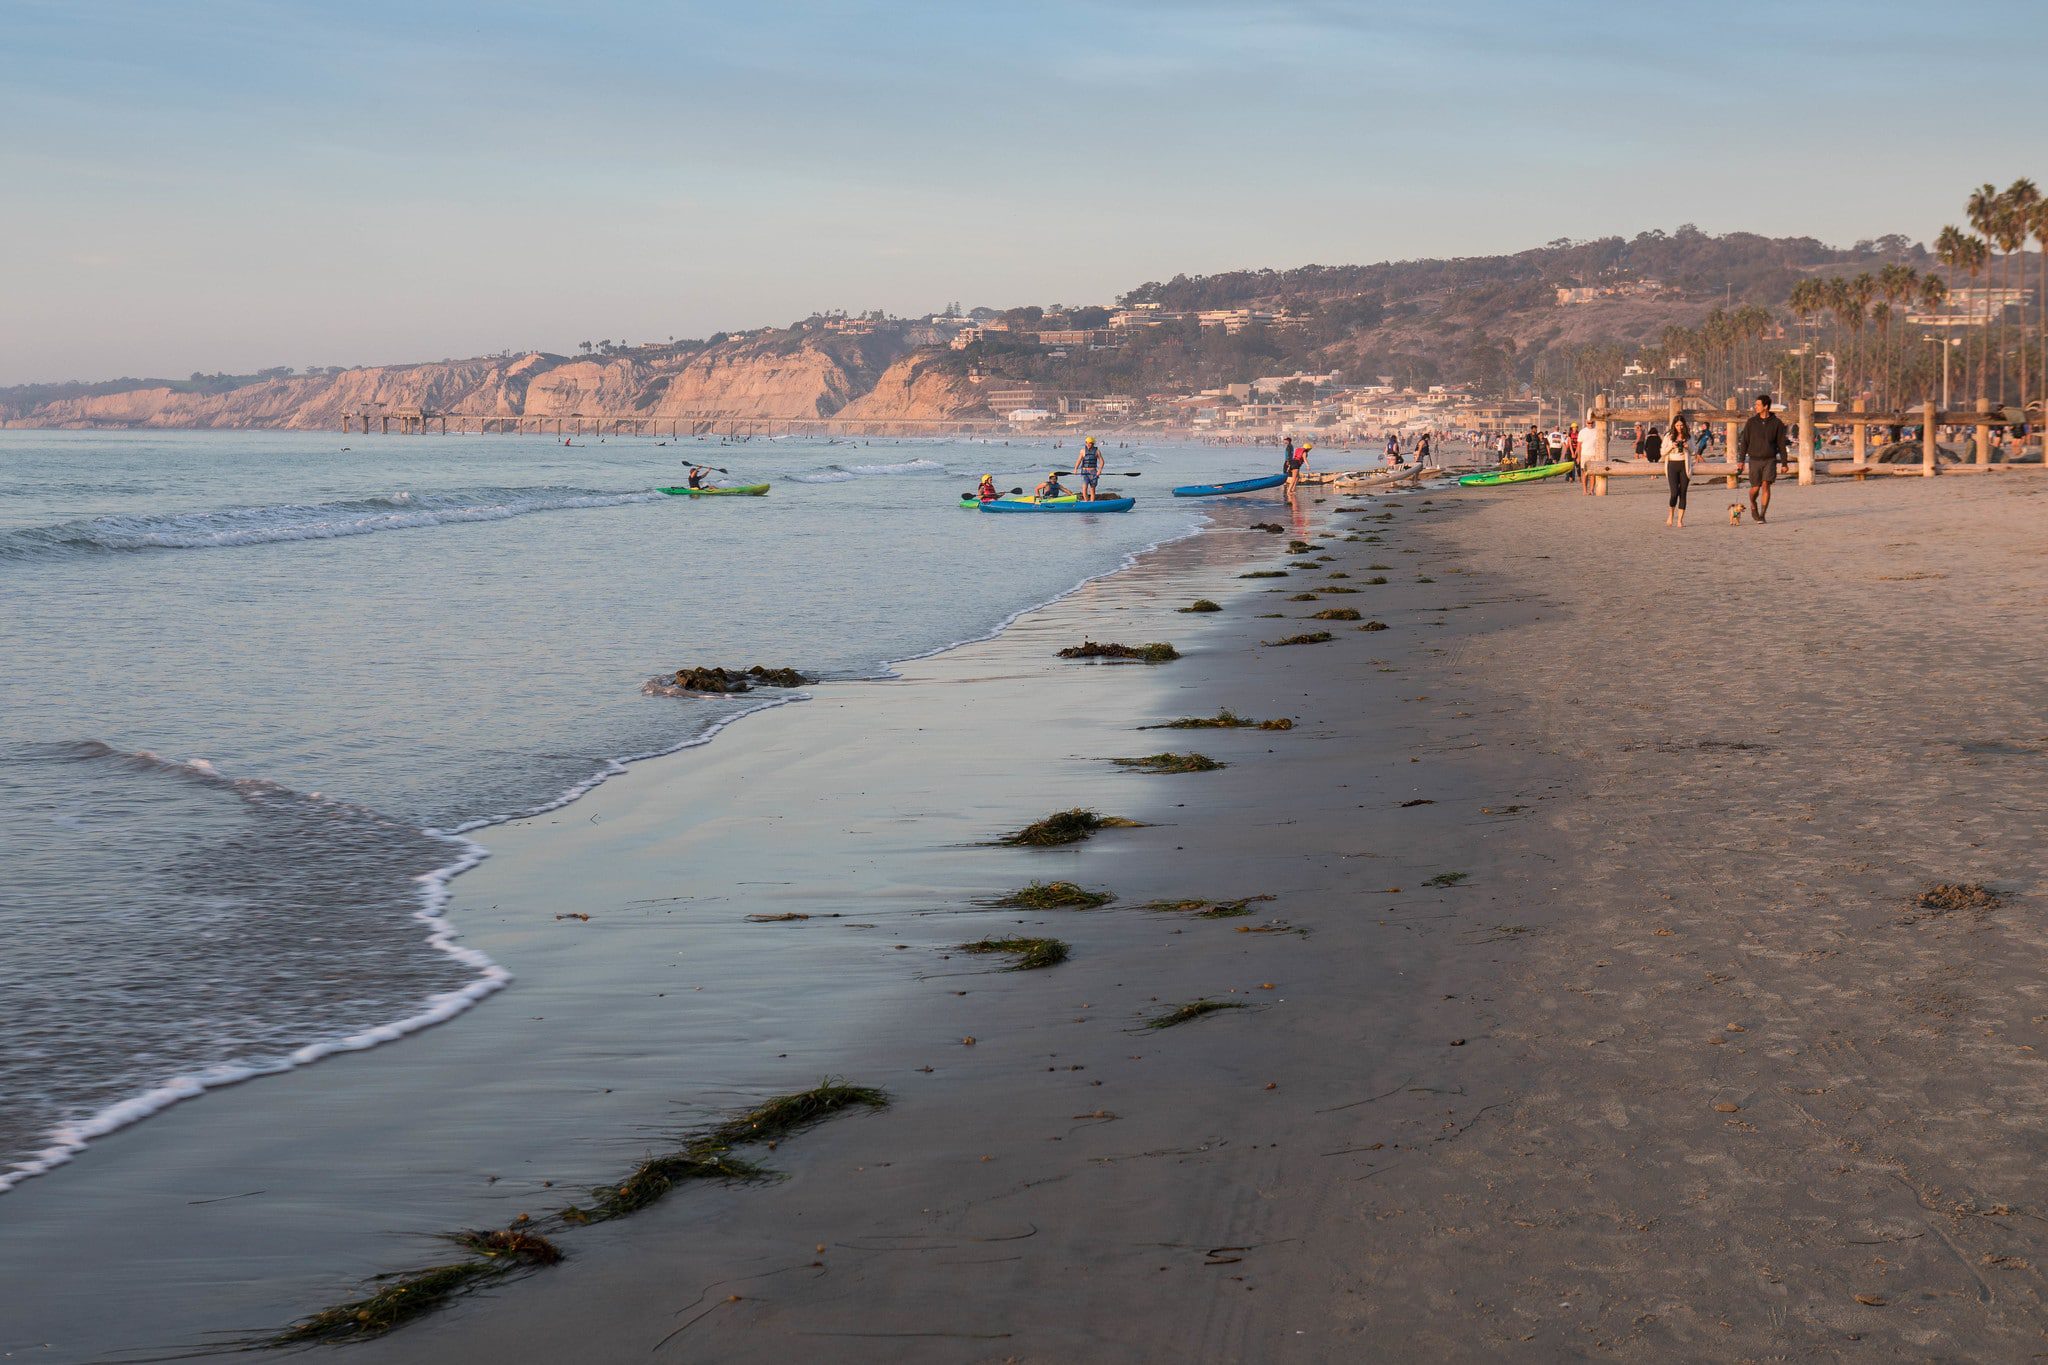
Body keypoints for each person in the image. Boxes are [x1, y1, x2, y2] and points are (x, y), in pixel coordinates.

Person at [1738, 393, 1789, 523]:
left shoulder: (1777, 423)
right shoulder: (1751, 422)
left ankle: (1762, 514)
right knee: (1755, 488)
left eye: (1758, 404)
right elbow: (1744, 442)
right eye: (1755, 404)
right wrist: (1741, 461)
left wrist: (1784, 463)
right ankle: (1752, 503)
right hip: (1754, 459)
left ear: (1765, 406)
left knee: (1766, 485)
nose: (1755, 407)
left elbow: (1781, 444)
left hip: (1770, 459)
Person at [1664, 416, 1692, 528]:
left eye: (1681, 425)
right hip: (1672, 464)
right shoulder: (1668, 436)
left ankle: (1680, 520)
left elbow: (1694, 451)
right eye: (1677, 425)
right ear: (1673, 426)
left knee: (1683, 493)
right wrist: (1671, 446)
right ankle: (1671, 515)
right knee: (1674, 493)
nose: (1679, 428)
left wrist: (1687, 446)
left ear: (1684, 425)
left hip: (1684, 466)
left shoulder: (1689, 436)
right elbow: (1662, 452)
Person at [1073, 437, 1103, 501]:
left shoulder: (1097, 451)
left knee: (1092, 489)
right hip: (1084, 471)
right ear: (1085, 443)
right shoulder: (1082, 451)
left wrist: (1100, 470)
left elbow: (1102, 461)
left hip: (1093, 472)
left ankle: (1092, 503)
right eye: (1087, 443)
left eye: (1090, 443)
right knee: (1084, 488)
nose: (1089, 444)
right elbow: (1079, 460)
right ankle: (1086, 502)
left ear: (1093, 444)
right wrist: (1075, 469)